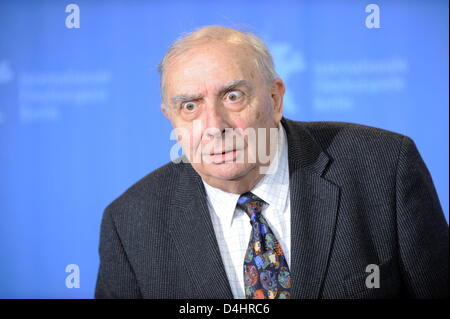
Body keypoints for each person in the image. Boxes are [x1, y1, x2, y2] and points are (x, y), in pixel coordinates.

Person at [95, 25, 449, 299]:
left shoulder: (384, 168)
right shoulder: (130, 224)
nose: (214, 126)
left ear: (275, 98)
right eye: (190, 106)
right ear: (170, 118)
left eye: (233, 96)